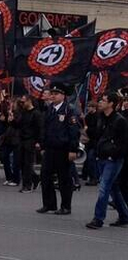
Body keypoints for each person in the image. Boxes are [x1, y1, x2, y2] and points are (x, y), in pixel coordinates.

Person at [86, 92, 128, 229]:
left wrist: (113, 155)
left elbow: (123, 143)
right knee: (113, 188)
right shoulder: (101, 117)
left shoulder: (120, 120)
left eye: (103, 100)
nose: (100, 102)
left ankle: (98, 218)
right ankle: (124, 216)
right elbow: (98, 136)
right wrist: (88, 131)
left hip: (113, 159)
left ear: (111, 103)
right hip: (101, 156)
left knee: (104, 188)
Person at [37, 84, 81, 215]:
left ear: (63, 95)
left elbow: (74, 131)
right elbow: (44, 129)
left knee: (64, 179)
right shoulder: (49, 109)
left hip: (63, 149)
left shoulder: (69, 110)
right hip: (50, 148)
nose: (53, 96)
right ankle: (49, 204)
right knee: (45, 176)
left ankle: (66, 206)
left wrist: (73, 149)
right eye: (52, 93)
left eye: (56, 94)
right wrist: (42, 146)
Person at [12, 95, 43, 193]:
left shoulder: (36, 114)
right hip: (22, 140)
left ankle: (27, 185)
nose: (22, 104)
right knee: (21, 163)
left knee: (28, 164)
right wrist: (12, 121)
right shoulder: (23, 112)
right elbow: (19, 125)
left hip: (31, 140)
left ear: (29, 101)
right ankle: (35, 178)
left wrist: (39, 142)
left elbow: (40, 128)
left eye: (23, 102)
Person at [83, 100, 100, 186]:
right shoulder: (87, 117)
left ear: (94, 107)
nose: (88, 108)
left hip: (95, 142)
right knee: (87, 159)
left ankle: (94, 178)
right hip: (88, 141)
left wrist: (88, 129)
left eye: (90, 107)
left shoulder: (98, 117)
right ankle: (88, 175)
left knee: (91, 158)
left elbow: (97, 130)